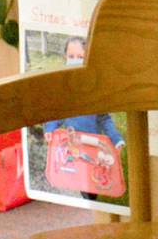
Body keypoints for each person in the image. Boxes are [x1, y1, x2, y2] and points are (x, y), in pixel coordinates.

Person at [44, 36, 125, 200]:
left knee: (92, 175)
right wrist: (50, 129)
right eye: (71, 57)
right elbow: (57, 111)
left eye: (80, 57)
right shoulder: (64, 88)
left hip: (92, 144)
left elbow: (104, 118)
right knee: (76, 171)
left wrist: (116, 138)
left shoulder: (94, 88)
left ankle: (91, 198)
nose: (75, 61)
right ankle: (84, 197)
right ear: (65, 58)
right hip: (73, 141)